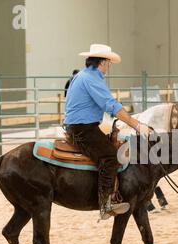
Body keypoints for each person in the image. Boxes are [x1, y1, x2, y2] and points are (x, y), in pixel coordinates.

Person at [64, 44, 152, 221]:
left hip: (80, 125)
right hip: (83, 128)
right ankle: (105, 204)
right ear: (102, 62)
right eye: (109, 62)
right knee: (110, 158)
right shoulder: (91, 79)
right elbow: (110, 105)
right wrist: (136, 125)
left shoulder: (84, 75)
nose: (110, 66)